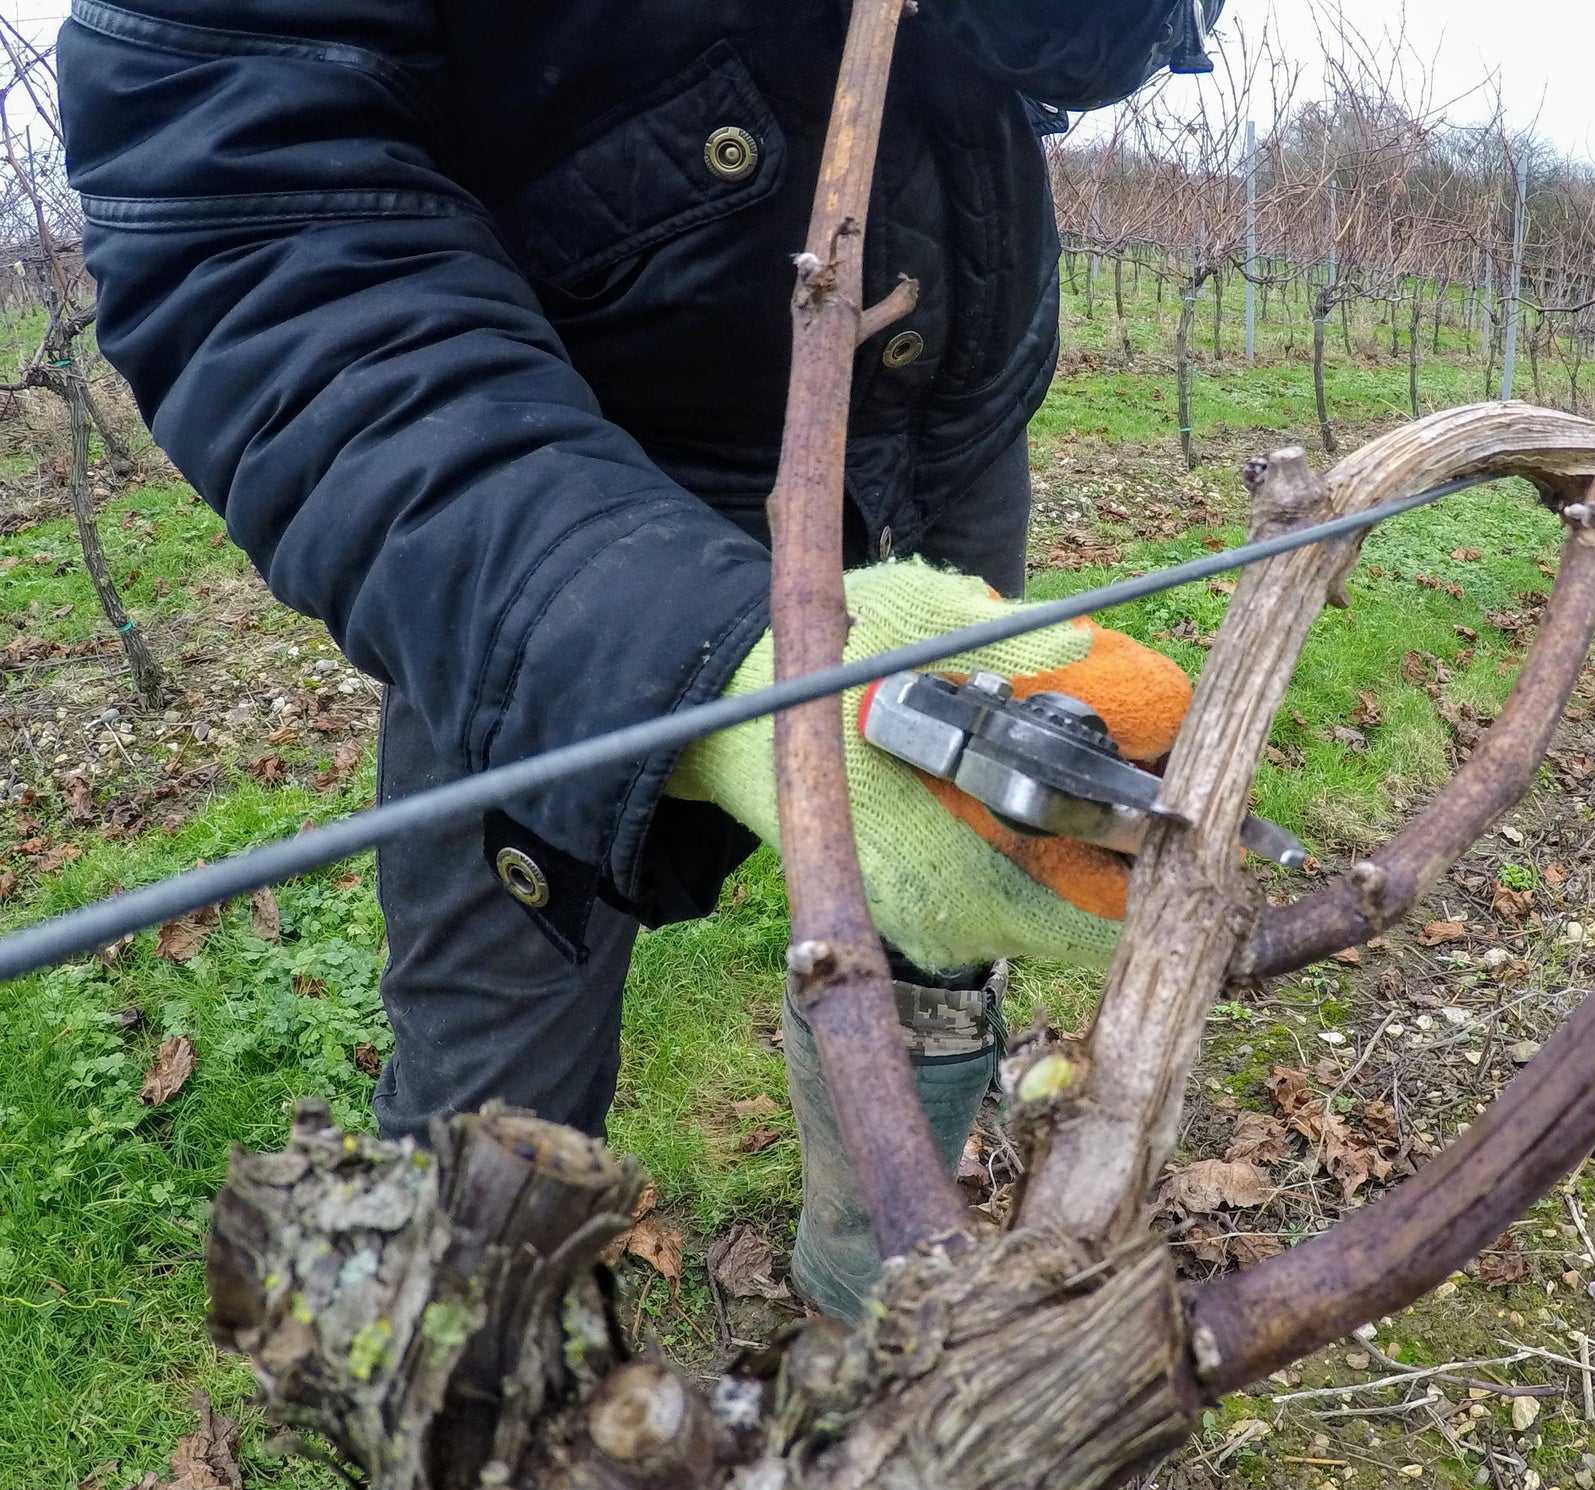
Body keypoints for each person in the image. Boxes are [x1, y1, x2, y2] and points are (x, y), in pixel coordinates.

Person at [60, 0, 1216, 1318]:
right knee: (494, 1079)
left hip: (933, 439)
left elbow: (1090, 53)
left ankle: (884, 1294)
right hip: (542, 493)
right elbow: (248, 214)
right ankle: (475, 1392)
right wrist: (693, 661)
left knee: (938, 922)